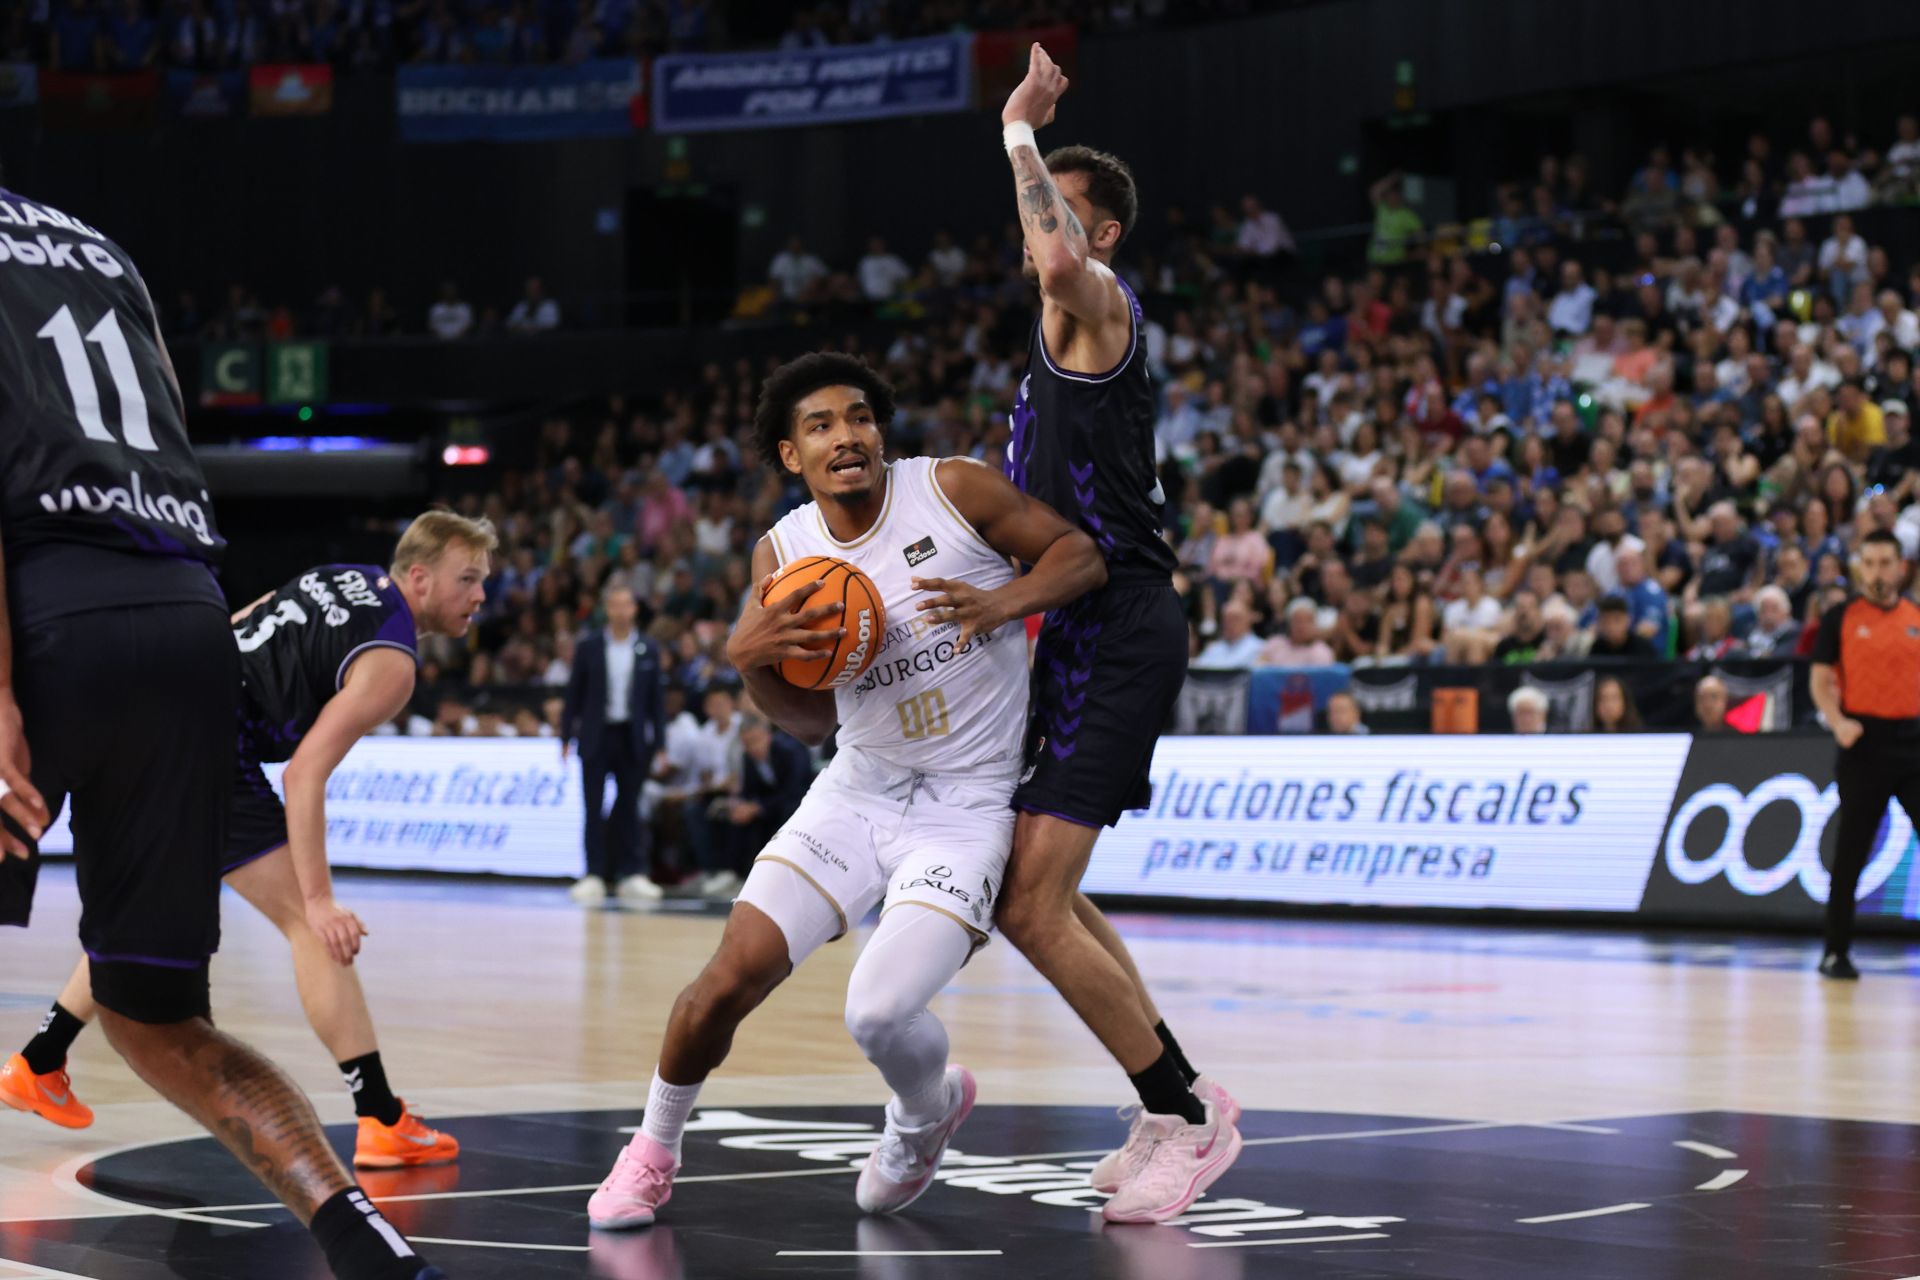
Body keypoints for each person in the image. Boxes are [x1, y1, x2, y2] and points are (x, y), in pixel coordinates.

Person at [0, 186, 441, 1280]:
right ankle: (370, 1248)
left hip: (42, 618)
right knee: (156, 1018)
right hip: (190, 618)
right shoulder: (98, 242)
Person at [588, 352, 1108, 1229]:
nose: (847, 436)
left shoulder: (951, 491)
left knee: (876, 1010)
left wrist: (999, 604)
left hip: (966, 805)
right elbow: (805, 724)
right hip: (856, 791)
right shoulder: (783, 553)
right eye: (821, 426)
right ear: (792, 456)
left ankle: (921, 1115)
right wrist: (749, 663)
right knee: (721, 984)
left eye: (858, 417)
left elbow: (1081, 555)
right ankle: (651, 1150)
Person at [7, 513, 489, 1176]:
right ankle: (381, 1120)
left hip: (163, 701)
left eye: (482, 581)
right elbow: (304, 773)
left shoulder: (340, 576)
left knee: (143, 909)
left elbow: (237, 621)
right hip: (209, 741)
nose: (479, 596)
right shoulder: (393, 661)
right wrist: (319, 899)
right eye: (467, 579)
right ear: (419, 577)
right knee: (310, 927)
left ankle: (40, 1063)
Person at [995, 44, 1242, 1222]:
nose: (1038, 226)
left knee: (1030, 903)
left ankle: (1188, 1117)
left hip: (1124, 623)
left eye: (1060, 208)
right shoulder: (1050, 340)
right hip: (1078, 630)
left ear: (1102, 237)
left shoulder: (1101, 308)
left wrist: (1018, 131)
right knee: (1041, 892)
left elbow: (1053, 246)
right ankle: (1175, 1098)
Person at [1809, 530, 1920, 981]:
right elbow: (1819, 681)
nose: (1877, 571)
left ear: (1900, 566)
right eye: (1870, 563)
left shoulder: (1916, 616)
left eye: (1885, 562)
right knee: (1852, 852)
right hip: (1863, 747)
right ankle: (1836, 952)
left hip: (1913, 743)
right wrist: (1838, 722)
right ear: (1860, 567)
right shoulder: (1840, 617)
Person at [563, 583, 666, 906]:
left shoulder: (647, 648)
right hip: (596, 736)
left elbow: (656, 702)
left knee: (629, 807)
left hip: (631, 737)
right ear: (607, 609)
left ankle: (631, 873)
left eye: (626, 605)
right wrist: (566, 736)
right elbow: (573, 695)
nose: (621, 611)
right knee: (592, 806)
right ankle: (593, 873)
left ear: (634, 609)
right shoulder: (589, 646)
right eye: (615, 605)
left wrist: (660, 743)